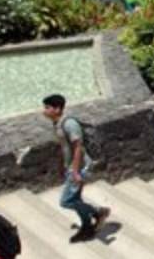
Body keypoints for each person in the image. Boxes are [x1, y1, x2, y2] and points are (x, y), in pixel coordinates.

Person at [42, 94, 110, 242]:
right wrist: (62, 166)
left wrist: (75, 171)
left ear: (57, 109)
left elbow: (78, 147)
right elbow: (64, 147)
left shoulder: (69, 124)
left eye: (47, 107)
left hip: (81, 167)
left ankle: (98, 212)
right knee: (75, 199)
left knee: (66, 201)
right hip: (71, 167)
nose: (44, 111)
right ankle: (87, 227)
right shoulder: (57, 123)